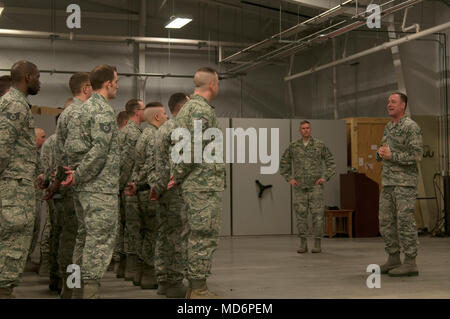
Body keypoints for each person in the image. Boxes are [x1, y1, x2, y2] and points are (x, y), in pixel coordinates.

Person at [61, 64, 119, 299]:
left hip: (83, 188)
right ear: (108, 84)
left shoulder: (81, 110)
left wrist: (76, 175)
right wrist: (81, 174)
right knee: (99, 241)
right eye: (116, 81)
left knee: (84, 238)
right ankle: (89, 294)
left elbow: (70, 147)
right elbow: (100, 150)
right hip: (99, 187)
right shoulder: (102, 110)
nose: (117, 85)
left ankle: (74, 290)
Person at [172, 67, 226, 298]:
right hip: (202, 185)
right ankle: (198, 289)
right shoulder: (200, 111)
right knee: (203, 235)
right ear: (213, 84)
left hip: (194, 184)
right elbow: (193, 149)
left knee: (194, 235)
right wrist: (180, 174)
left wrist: (178, 175)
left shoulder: (187, 108)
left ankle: (194, 286)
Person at [0, 60, 40, 298]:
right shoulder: (14, 103)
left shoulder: (15, 102)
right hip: (13, 187)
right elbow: (2, 146)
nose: (39, 81)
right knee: (12, 243)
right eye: (37, 76)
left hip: (14, 185)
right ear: (27, 77)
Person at [52, 74, 92, 298]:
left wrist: (55, 183)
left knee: (72, 240)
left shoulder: (66, 114)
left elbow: (60, 155)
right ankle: (73, 287)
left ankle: (70, 286)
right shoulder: (79, 113)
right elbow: (75, 157)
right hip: (76, 186)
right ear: (86, 89)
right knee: (76, 241)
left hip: (67, 185)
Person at [376, 92, 423, 277]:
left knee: (405, 222)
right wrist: (380, 153)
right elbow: (385, 150)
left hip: (404, 184)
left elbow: (417, 155)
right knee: (386, 222)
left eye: (393, 102)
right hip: (388, 183)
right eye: (388, 101)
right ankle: (393, 258)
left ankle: (410, 262)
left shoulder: (411, 127)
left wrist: (392, 156)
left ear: (403, 105)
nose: (389, 104)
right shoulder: (389, 126)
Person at [149, 93, 189, 298]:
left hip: (163, 190)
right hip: (175, 192)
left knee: (163, 235)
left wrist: (157, 187)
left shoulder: (162, 129)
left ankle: (163, 279)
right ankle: (174, 282)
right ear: (182, 107)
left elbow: (158, 165)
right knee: (177, 237)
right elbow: (175, 165)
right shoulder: (179, 130)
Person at [124, 102, 168, 289]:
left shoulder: (144, 134)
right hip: (148, 191)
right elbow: (152, 167)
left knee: (144, 234)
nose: (167, 117)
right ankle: (150, 275)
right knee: (153, 234)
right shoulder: (154, 136)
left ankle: (141, 274)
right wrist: (156, 186)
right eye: (165, 114)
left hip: (140, 189)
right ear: (157, 117)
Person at [280, 121, 336, 254]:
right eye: (303, 128)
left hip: (315, 186)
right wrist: (290, 178)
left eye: (307, 128)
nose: (305, 130)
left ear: (311, 130)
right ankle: (303, 243)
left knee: (317, 216)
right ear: (300, 130)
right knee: (301, 216)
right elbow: (284, 163)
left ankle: (317, 243)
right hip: (300, 187)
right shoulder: (293, 146)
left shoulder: (319, 145)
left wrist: (325, 177)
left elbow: (331, 162)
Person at [116, 99, 145, 284]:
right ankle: (131, 268)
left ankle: (123, 266)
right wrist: (128, 185)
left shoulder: (123, 132)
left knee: (125, 227)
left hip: (122, 186)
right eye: (143, 108)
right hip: (130, 188)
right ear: (136, 111)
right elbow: (127, 162)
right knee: (134, 228)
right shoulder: (134, 133)